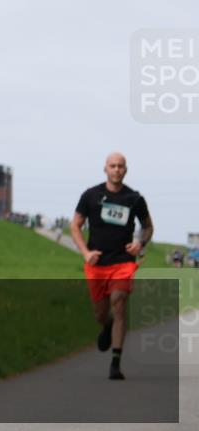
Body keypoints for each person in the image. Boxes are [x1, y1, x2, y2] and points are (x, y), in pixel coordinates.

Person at [70, 152, 154, 380]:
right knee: (100, 314)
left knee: (118, 302)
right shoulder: (91, 195)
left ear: (126, 170)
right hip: (97, 263)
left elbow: (148, 226)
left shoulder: (134, 198)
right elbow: (75, 225)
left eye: (121, 166)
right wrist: (86, 253)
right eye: (113, 166)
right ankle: (106, 327)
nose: (117, 170)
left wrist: (140, 243)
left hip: (123, 262)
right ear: (105, 169)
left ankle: (115, 363)